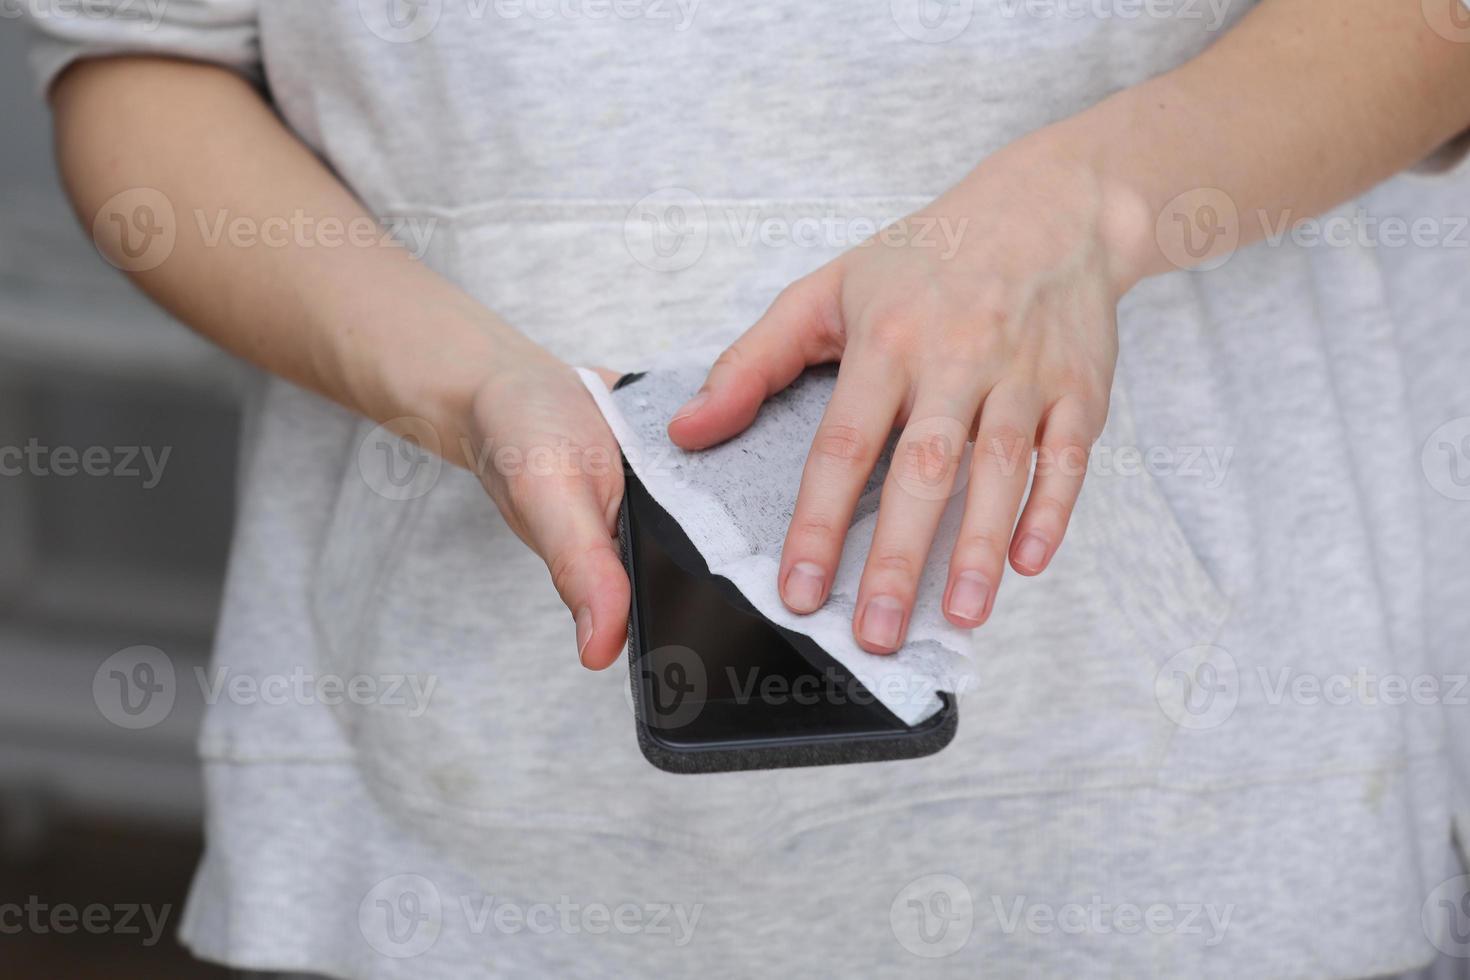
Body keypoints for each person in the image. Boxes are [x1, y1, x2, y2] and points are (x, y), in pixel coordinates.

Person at [20, 0, 1470, 975]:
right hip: (439, 848)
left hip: (1198, 836)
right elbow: (140, 58)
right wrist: (460, 388)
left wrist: (1084, 214)